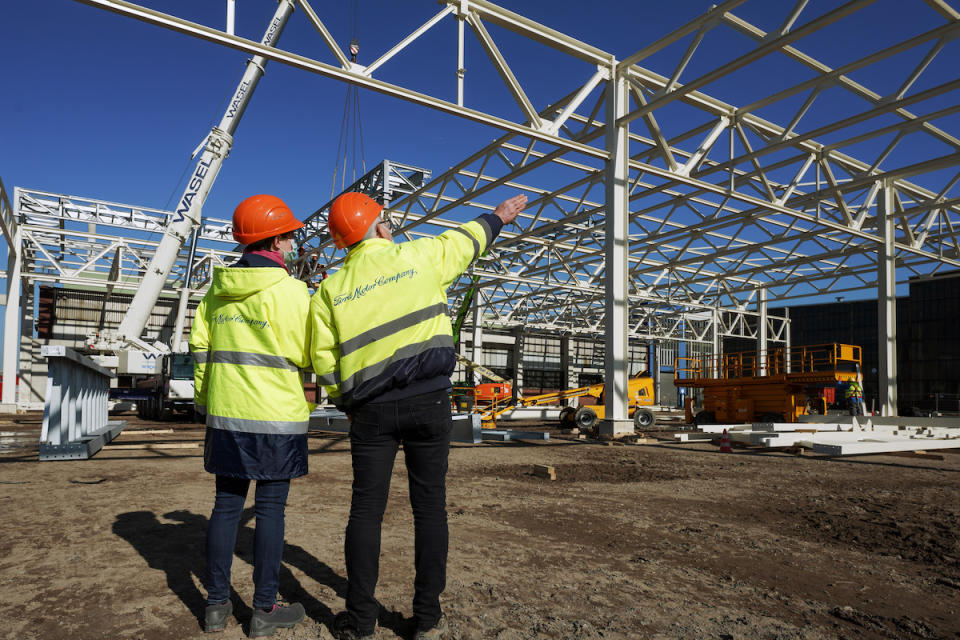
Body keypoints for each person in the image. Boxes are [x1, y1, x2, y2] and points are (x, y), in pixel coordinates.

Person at [310, 191, 527, 640]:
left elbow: (323, 361)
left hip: (369, 412)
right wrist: (498, 217)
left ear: (343, 244)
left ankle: (362, 621)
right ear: (381, 227)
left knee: (366, 511)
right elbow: (465, 241)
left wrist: (345, 402)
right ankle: (426, 618)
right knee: (430, 510)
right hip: (429, 402)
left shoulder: (329, 292)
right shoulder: (420, 256)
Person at [190, 194, 312, 638]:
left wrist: (208, 402)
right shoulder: (294, 294)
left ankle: (216, 608)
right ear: (276, 239)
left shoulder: (215, 294)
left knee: (225, 506)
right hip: (276, 419)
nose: (295, 241)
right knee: (271, 509)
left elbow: (200, 353)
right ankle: (264, 610)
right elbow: (309, 353)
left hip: (226, 417)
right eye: (292, 234)